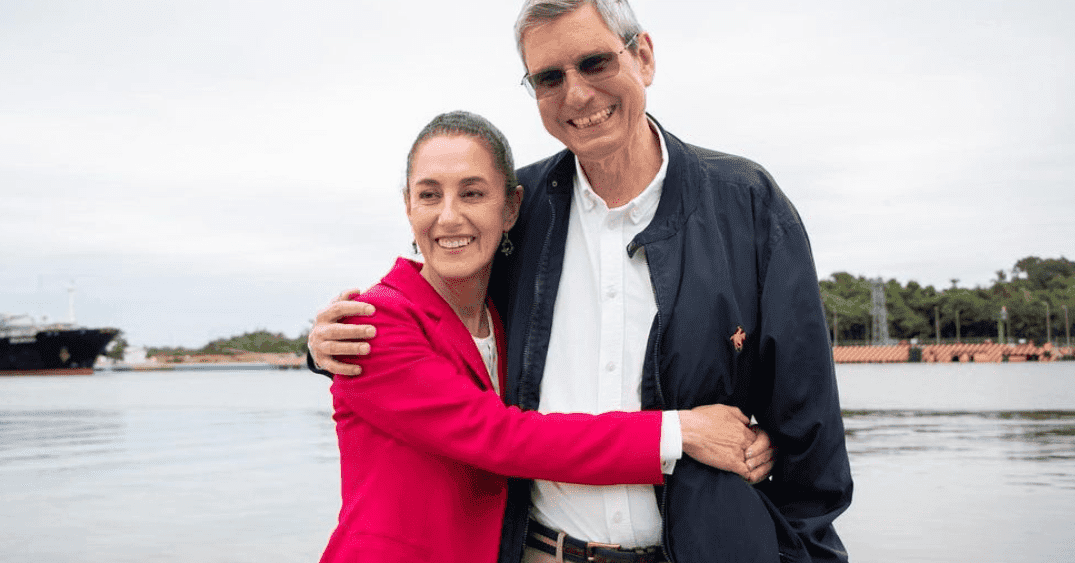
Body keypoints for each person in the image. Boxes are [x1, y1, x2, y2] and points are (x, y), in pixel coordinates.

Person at [312, 0, 851, 563]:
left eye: (595, 62)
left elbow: (810, 436)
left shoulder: (746, 205)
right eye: (549, 77)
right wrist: (322, 345)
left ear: (644, 57)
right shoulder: (522, 214)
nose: (576, 95)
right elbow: (441, 301)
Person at [318, 110, 775, 563]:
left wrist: (753, 440)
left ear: (511, 208)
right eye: (429, 195)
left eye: (472, 193)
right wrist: (680, 432)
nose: (449, 216)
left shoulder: (501, 315)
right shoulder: (373, 321)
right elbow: (502, 438)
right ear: (408, 206)